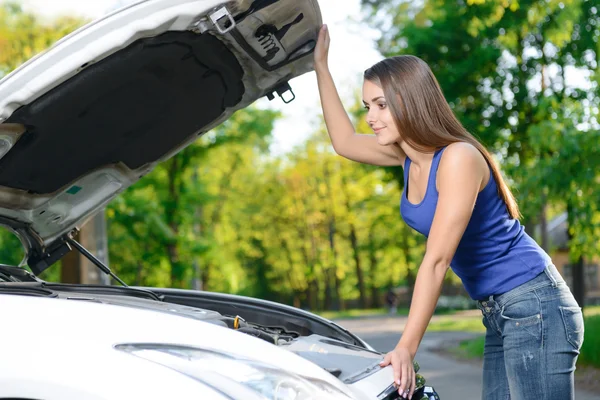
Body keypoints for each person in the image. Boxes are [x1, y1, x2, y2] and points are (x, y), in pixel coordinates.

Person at [313, 24, 584, 400]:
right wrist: (320, 67)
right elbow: (342, 142)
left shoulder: (458, 158)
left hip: (535, 304)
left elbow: (437, 260)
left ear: (410, 101)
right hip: (499, 313)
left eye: (381, 105)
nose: (371, 117)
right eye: (367, 106)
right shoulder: (406, 156)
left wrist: (406, 346)